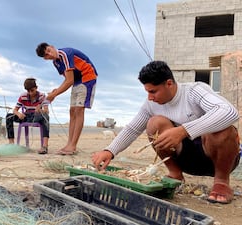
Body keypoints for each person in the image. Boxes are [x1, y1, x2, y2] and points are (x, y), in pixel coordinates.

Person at [92, 60, 240, 204]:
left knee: (224, 129)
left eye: (153, 91)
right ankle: (175, 174)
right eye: (147, 92)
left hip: (218, 160)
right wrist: (110, 151)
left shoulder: (194, 91)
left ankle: (221, 182)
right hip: (186, 160)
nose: (150, 97)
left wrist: (183, 130)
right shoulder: (151, 104)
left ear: (169, 83)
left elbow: (229, 112)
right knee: (154, 123)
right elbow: (132, 129)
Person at [36, 42, 98, 155]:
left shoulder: (65, 54)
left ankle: (73, 145)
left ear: (53, 47)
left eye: (49, 50)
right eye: (47, 54)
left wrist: (54, 95)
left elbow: (69, 81)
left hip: (87, 76)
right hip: (77, 81)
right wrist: (55, 92)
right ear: (45, 58)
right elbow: (67, 79)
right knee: (72, 111)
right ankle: (69, 143)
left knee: (79, 110)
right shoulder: (56, 63)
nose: (50, 54)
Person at [5, 78, 50, 154]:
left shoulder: (42, 96)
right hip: (26, 116)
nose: (30, 93)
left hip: (37, 116)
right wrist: (19, 114)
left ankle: (44, 146)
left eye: (32, 90)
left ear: (36, 88)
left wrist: (40, 110)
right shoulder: (23, 96)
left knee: (45, 117)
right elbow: (15, 110)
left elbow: (46, 111)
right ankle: (11, 144)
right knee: (9, 116)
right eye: (28, 91)